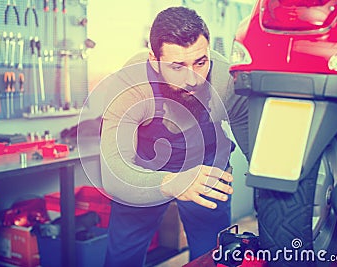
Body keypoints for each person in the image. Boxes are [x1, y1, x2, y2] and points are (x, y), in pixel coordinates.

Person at [98, 6, 249, 267]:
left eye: (200, 63)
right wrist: (172, 183)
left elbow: (258, 155)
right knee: (122, 258)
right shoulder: (129, 85)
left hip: (205, 166)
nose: (192, 79)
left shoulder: (226, 80)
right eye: (177, 66)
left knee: (211, 256)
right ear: (154, 61)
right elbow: (113, 175)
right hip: (144, 168)